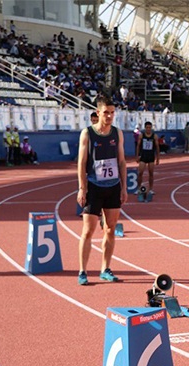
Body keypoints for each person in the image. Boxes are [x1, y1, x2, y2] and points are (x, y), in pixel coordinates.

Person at [76, 95, 128, 286]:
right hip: (94, 186)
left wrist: (124, 188)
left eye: (112, 113)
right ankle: (82, 271)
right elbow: (81, 164)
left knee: (110, 229)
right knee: (88, 231)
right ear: (98, 113)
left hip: (113, 186)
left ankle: (105, 268)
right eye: (106, 112)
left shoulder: (117, 133)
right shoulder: (87, 134)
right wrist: (82, 188)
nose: (110, 116)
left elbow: (121, 161)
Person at [136, 121, 159, 195]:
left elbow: (157, 147)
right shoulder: (141, 135)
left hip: (151, 156)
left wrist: (158, 158)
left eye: (149, 128)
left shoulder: (154, 136)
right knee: (140, 173)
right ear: (145, 128)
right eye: (147, 128)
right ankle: (139, 188)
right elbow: (138, 146)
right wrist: (137, 156)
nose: (148, 129)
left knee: (151, 173)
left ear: (151, 128)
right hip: (143, 156)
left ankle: (151, 189)